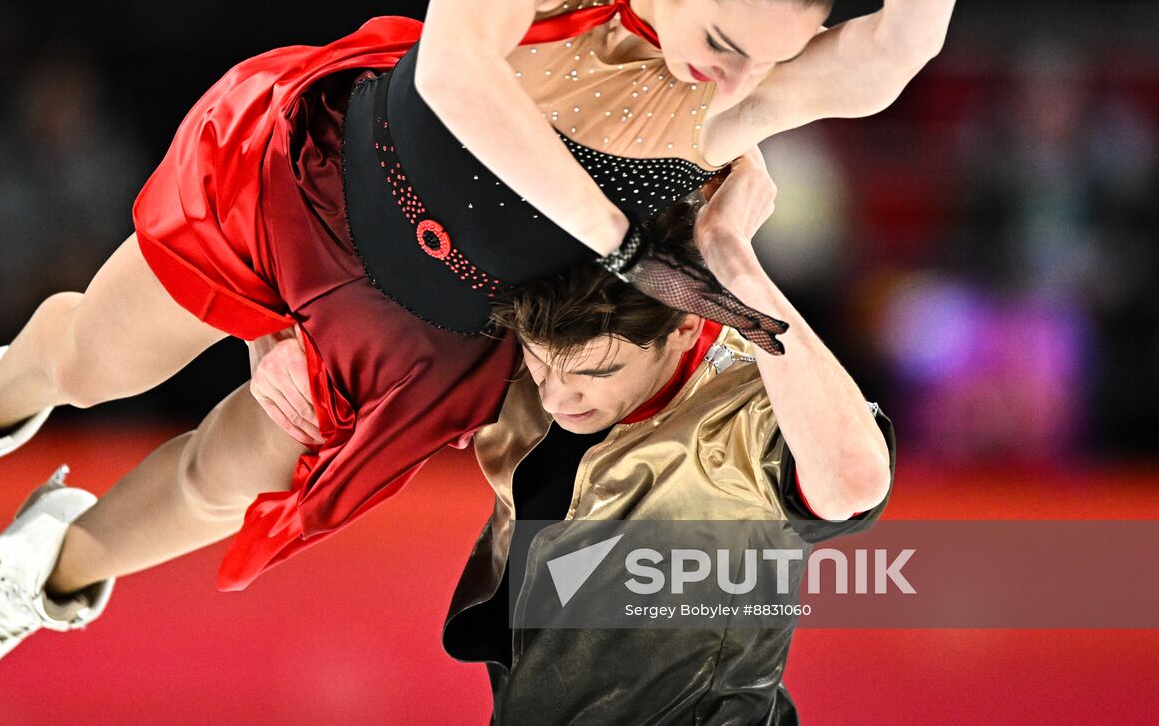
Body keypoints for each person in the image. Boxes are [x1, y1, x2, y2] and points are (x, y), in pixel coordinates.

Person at [0, 0, 1026, 696]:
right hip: (304, 193)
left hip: (424, 328)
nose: (733, 78)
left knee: (226, 477)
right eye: (721, 40)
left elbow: (880, 64)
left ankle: (52, 569)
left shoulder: (720, 103)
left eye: (765, 61)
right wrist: (613, 236)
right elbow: (457, 75)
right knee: (96, 360)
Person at [251, 150, 893, 723]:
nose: (557, 398)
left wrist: (730, 255)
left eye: (597, 372)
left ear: (682, 326)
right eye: (539, 362)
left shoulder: (755, 404)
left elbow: (854, 483)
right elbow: (276, 209)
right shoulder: (511, 331)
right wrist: (272, 338)